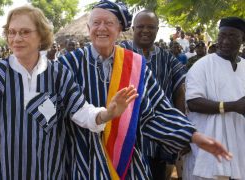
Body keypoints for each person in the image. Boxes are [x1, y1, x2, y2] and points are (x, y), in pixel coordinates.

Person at [0, 5, 139, 179]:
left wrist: (108, 114)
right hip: (4, 170)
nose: (16, 39)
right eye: (12, 32)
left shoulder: (58, 74)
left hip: (50, 171)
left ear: (41, 36)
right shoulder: (0, 72)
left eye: (25, 32)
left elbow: (83, 113)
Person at [58, 1, 231, 179]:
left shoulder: (135, 65)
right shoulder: (67, 65)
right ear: (88, 28)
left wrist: (193, 136)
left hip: (128, 164)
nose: (101, 28)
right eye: (96, 23)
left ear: (119, 29)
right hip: (83, 161)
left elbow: (155, 112)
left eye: (109, 23)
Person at [120, 10, 187, 180]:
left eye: (151, 27)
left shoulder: (168, 59)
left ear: (157, 30)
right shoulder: (120, 53)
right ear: (133, 28)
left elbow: (180, 91)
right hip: (125, 134)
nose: (145, 30)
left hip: (158, 138)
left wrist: (178, 128)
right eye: (141, 26)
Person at [183, 17, 245, 180]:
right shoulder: (202, 65)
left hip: (240, 145)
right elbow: (193, 102)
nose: (225, 41)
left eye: (232, 36)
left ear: (242, 39)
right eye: (222, 35)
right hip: (209, 147)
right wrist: (233, 106)